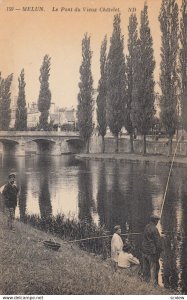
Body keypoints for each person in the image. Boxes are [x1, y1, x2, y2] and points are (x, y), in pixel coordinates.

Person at [142, 214, 162, 286]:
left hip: (144, 251)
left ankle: (145, 282)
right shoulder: (155, 229)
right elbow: (158, 243)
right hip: (151, 252)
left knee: (146, 268)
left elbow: (146, 238)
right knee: (154, 267)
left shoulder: (146, 226)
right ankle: (153, 285)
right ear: (155, 221)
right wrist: (159, 251)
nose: (157, 222)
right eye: (157, 220)